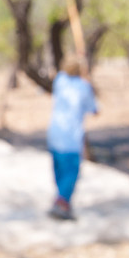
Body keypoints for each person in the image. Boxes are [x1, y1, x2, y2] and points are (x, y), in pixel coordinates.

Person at [47, 54, 98, 220]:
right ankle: (62, 202)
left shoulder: (59, 81)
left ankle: (61, 199)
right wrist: (89, 83)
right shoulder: (84, 87)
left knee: (60, 168)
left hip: (55, 132)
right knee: (71, 171)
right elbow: (93, 108)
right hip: (71, 136)